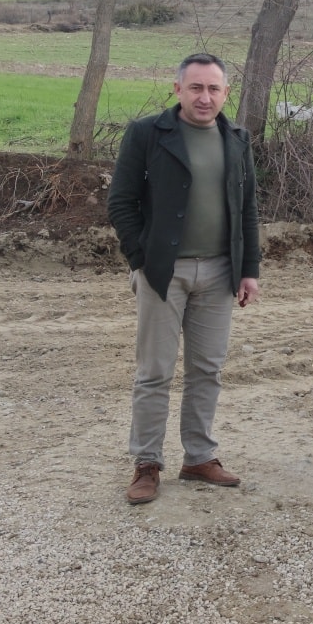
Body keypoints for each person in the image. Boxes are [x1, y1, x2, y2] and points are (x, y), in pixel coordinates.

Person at [108, 52, 260, 505]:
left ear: (226, 93)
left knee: (207, 370)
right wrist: (142, 259)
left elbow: (247, 209)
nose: (205, 97)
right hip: (162, 273)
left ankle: (198, 456)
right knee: (154, 372)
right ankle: (146, 464)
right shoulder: (146, 135)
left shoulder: (237, 138)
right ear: (177, 89)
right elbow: (121, 203)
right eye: (196, 87)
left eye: (214, 88)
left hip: (219, 273)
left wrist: (249, 269)